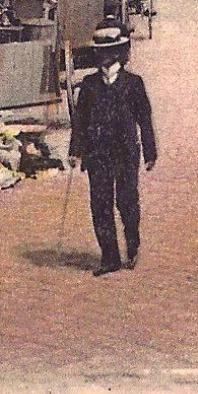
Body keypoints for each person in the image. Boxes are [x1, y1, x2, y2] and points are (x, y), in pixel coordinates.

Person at [69, 21, 157, 276]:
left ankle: (132, 244)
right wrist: (76, 150)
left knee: (127, 201)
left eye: (109, 52)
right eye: (100, 52)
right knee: (100, 204)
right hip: (97, 154)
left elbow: (145, 118)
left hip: (126, 152)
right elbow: (80, 120)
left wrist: (150, 153)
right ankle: (110, 258)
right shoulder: (89, 84)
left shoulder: (134, 84)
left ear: (120, 53)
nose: (103, 57)